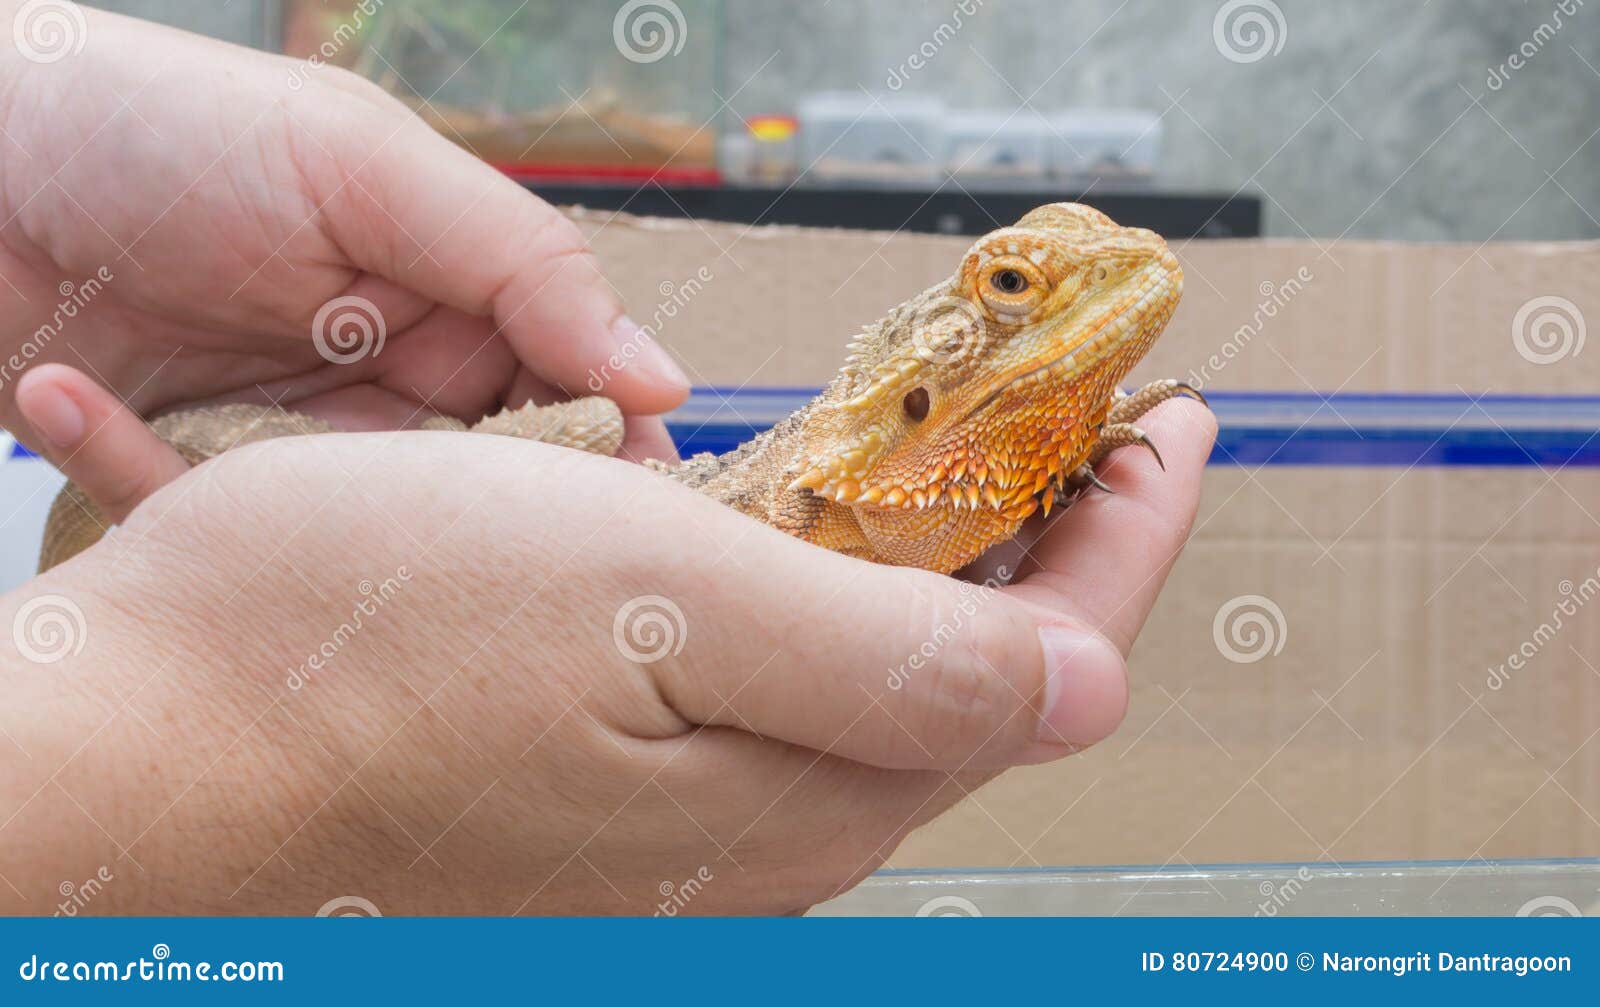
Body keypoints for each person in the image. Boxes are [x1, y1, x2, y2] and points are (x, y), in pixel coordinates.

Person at [0, 5, 1215, 915]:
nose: (1135, 267)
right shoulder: (815, 505)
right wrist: (226, 723)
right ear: (917, 382)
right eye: (1014, 287)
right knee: (586, 426)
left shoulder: (928, 476)